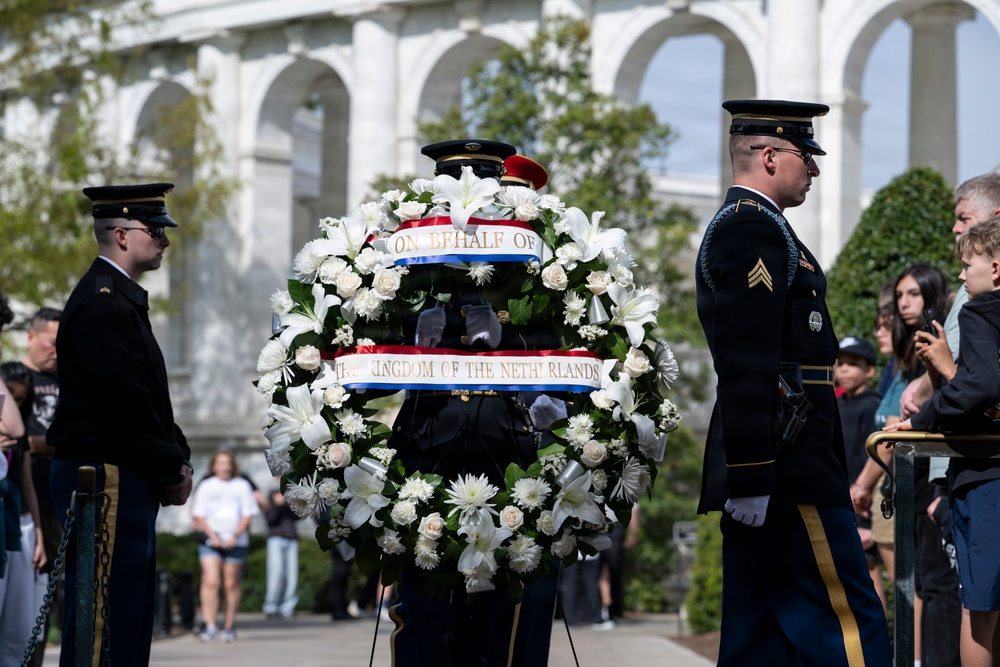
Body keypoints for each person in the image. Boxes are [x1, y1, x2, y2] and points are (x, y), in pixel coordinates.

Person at [695, 99, 892, 666]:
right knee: (848, 625)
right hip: (787, 468)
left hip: (780, 464)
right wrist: (753, 474)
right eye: (808, 156)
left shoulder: (766, 230)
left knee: (761, 639)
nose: (817, 169)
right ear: (771, 156)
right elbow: (747, 359)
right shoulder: (750, 231)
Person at [387, 141, 562, 667]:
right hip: (427, 451)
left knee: (509, 629)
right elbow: (367, 334)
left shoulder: (534, 267)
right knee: (423, 620)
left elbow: (565, 340)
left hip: (509, 453)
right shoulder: (412, 258)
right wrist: (412, 332)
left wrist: (514, 351)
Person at [47, 183, 193, 666]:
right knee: (102, 624)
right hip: (104, 474)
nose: (165, 240)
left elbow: (147, 396)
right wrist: (171, 467)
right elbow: (125, 405)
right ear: (122, 235)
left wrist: (177, 456)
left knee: (127, 616)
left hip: (123, 473)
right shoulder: (104, 303)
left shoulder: (118, 300)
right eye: (155, 231)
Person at [888, 217, 1000, 667]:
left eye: (967, 264)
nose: (960, 275)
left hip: (985, 476)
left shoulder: (979, 311)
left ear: (996, 268)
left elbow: (980, 389)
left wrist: (922, 420)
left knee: (981, 610)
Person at [835, 335, 888, 612]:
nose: (843, 370)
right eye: (840, 363)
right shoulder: (837, 406)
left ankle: (877, 640)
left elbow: (880, 459)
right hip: (841, 501)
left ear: (869, 370)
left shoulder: (874, 406)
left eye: (852, 364)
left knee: (869, 576)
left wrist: (866, 521)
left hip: (863, 506)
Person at [21, 307, 61, 667]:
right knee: (24, 601)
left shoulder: (71, 380)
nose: (57, 350)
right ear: (31, 337)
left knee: (53, 596)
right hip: (23, 504)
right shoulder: (14, 379)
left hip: (61, 502)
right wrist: (44, 443)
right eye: (51, 343)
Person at [191, 449, 259, 642]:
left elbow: (247, 514)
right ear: (214, 466)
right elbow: (200, 515)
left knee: (231, 583)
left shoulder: (242, 485)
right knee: (211, 581)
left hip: (236, 540)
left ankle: (229, 625)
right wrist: (212, 535)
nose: (224, 467)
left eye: (228, 463)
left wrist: (235, 536)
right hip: (211, 540)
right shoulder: (206, 485)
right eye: (221, 463)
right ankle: (210, 624)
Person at [263, 485, 299, 620]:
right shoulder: (272, 493)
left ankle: (288, 607)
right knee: (276, 573)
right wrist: (277, 505)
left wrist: (290, 504)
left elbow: (298, 517)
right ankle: (271, 606)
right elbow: (270, 518)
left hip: (291, 537)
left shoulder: (293, 493)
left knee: (292, 575)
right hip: (276, 537)